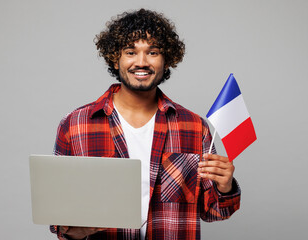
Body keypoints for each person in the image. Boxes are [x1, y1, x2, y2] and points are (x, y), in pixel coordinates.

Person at [50, 8, 240, 240]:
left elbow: (214, 212)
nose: (141, 62)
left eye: (153, 52)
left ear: (167, 59)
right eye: (130, 52)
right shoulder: (75, 125)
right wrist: (73, 231)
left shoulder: (194, 127)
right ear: (114, 57)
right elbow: (59, 216)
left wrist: (225, 187)